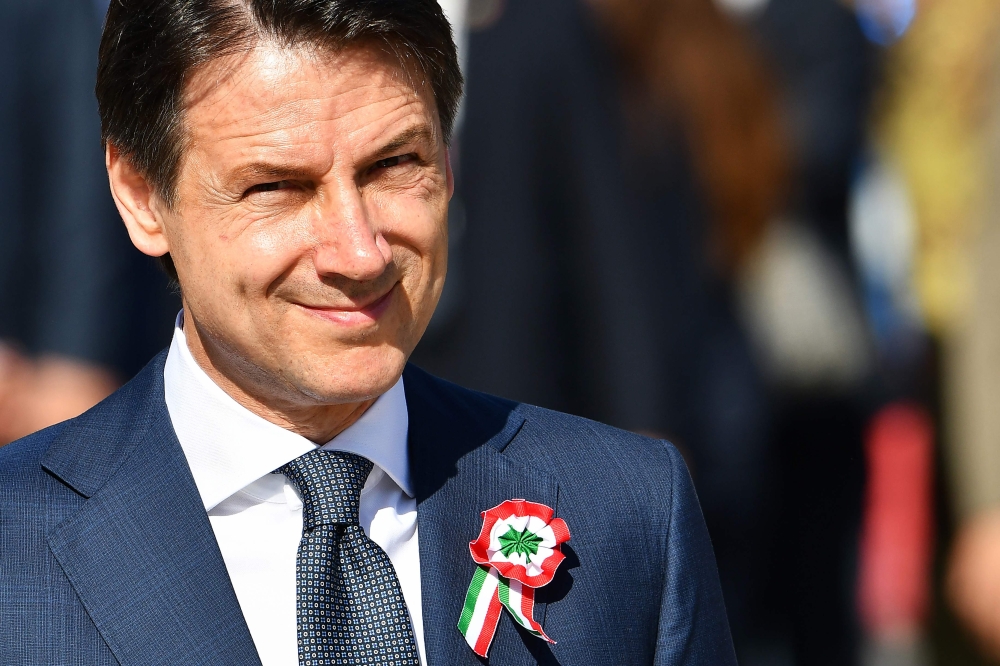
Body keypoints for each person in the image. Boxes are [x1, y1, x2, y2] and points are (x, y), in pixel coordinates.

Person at [0, 1, 735, 665]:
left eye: (394, 165)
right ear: (139, 196)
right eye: (278, 188)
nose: (359, 252)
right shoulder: (18, 550)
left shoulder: (627, 518)